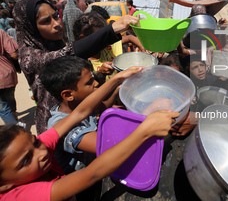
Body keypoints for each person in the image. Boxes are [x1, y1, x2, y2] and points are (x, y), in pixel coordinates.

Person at [0, 66, 179, 201]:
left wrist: (117, 79)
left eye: (35, 142)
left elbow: (80, 112)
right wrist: (145, 130)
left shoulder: (40, 147)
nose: (42, 151)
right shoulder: (22, 195)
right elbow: (92, 174)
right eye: (26, 160)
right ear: (4, 185)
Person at [13, 0, 139, 134]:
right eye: (45, 21)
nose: (56, 23)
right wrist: (113, 28)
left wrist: (101, 75)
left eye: (56, 16)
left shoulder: (57, 44)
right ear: (31, 27)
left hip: (82, 117)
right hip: (60, 129)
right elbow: (68, 54)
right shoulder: (29, 58)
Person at [40, 56, 131, 174]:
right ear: (68, 95)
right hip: (80, 181)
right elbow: (108, 144)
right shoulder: (61, 126)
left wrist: (118, 88)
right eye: (89, 83)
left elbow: (104, 106)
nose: (97, 83)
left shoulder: (81, 102)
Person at [73, 12, 145, 82]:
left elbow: (129, 37)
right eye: (101, 38)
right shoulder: (81, 66)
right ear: (83, 38)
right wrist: (101, 74)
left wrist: (143, 47)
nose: (105, 41)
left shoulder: (108, 47)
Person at [0, 29, 18, 124]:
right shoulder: (1, 32)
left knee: (3, 109)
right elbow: (14, 54)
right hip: (7, 73)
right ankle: (14, 116)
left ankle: (16, 132)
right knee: (10, 98)